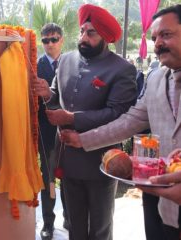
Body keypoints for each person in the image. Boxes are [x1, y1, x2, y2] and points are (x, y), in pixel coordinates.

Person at [60, 4, 181, 240]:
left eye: (166, 35)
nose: (158, 44)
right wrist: (82, 140)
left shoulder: (120, 68)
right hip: (158, 194)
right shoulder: (156, 79)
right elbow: (128, 122)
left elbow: (115, 112)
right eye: (155, 37)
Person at [32, 4, 137, 240]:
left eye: (91, 33)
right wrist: (47, 95)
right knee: (75, 226)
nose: (83, 38)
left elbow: (118, 114)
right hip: (67, 157)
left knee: (100, 229)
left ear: (105, 38)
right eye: (82, 31)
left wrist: (72, 118)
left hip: (101, 161)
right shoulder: (66, 60)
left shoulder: (122, 69)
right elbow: (57, 96)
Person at [37, 23, 68, 240]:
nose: (50, 44)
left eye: (54, 39)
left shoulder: (71, 63)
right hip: (46, 132)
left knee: (69, 176)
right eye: (46, 40)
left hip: (70, 130)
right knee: (47, 178)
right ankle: (48, 223)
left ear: (62, 40)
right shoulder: (34, 65)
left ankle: (70, 217)